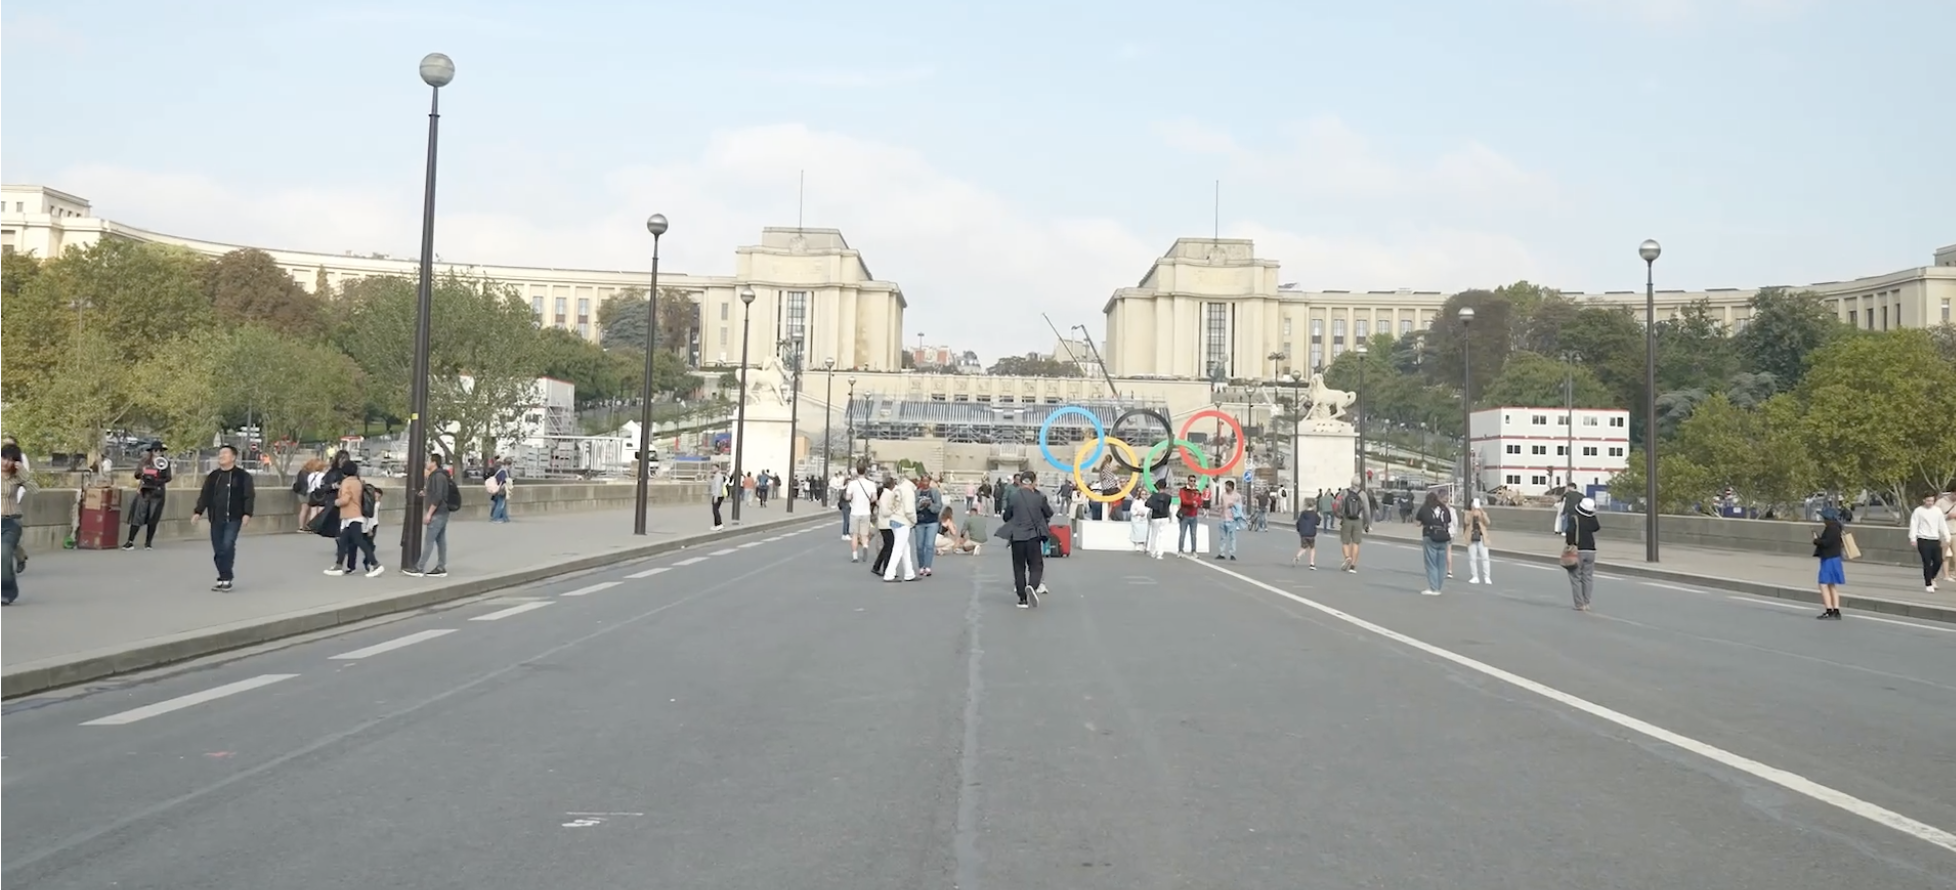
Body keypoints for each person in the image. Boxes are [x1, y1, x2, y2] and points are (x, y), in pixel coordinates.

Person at [191, 445, 256, 591]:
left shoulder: (242, 476)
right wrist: (198, 512)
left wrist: (247, 513)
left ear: (233, 457)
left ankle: (226, 578)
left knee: (227, 545)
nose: (221, 456)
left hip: (234, 518)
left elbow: (249, 496)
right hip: (216, 518)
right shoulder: (213, 476)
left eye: (225, 453)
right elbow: (205, 495)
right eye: (220, 454)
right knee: (219, 550)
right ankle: (224, 575)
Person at [999, 472, 1054, 608]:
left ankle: (1022, 599)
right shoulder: (1039, 497)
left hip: (1017, 537)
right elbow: (1049, 513)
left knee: (1019, 567)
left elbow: (1006, 516)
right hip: (1033, 536)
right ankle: (1032, 585)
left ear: (1021, 482)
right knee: (1036, 566)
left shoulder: (1014, 496)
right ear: (1033, 482)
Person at [327, 463, 384, 577]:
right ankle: (338, 565)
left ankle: (376, 564)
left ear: (344, 472)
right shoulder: (358, 482)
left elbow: (346, 499)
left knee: (358, 541)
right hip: (356, 514)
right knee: (344, 541)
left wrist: (336, 502)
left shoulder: (346, 482)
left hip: (350, 515)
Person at [405, 453, 457, 577]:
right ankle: (441, 567)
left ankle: (419, 567)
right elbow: (436, 493)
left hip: (438, 512)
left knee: (429, 540)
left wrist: (429, 514)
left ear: (434, 463)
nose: (426, 463)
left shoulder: (437, 476)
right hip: (443, 512)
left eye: (428, 461)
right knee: (440, 540)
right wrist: (426, 493)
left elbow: (438, 496)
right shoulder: (439, 475)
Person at [2, 442, 37, 605]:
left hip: (11, 522)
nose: (5, 463)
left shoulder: (17, 476)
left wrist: (22, 472)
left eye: (10, 460)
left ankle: (7, 592)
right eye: (3, 458)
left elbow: (35, 489)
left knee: (3, 554)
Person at [123, 443, 172, 550]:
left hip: (157, 492)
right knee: (137, 516)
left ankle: (148, 543)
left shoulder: (165, 463)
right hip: (145, 491)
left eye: (160, 450)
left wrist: (157, 479)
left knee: (153, 517)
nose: (158, 452)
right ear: (152, 451)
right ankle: (130, 541)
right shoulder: (144, 461)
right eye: (156, 450)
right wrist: (145, 473)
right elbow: (136, 474)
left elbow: (168, 477)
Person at [1908, 491, 1951, 594]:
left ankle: (1931, 577)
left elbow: (1942, 525)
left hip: (1935, 539)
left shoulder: (1937, 511)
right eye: (1928, 500)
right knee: (1927, 562)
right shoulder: (1918, 511)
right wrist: (1913, 538)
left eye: (1932, 501)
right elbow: (1914, 524)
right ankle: (1928, 584)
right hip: (1923, 539)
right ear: (1924, 500)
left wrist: (1947, 536)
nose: (1930, 503)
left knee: (1938, 561)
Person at [1563, 496, 1602, 611]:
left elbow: (1569, 532)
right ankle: (1587, 602)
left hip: (1578, 550)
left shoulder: (1574, 518)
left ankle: (1579, 604)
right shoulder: (1592, 520)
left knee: (1575, 577)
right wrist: (1592, 514)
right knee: (1588, 577)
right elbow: (1597, 527)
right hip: (1591, 550)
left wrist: (1570, 544)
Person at [1414, 489, 1454, 596]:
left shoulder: (1425, 508)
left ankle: (1433, 588)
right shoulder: (1444, 509)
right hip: (1444, 537)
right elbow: (1449, 522)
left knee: (1431, 563)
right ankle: (1438, 587)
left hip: (1429, 536)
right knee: (1441, 564)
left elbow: (1417, 523)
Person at [881, 472, 920, 583]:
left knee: (904, 548)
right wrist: (914, 521)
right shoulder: (909, 491)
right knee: (898, 548)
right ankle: (889, 574)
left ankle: (909, 573)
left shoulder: (899, 489)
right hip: (903, 521)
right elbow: (909, 510)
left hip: (894, 518)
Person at [1813, 507, 1846, 620]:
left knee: (1823, 584)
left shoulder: (1831, 528)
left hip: (1829, 558)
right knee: (1832, 584)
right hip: (1835, 558)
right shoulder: (1837, 528)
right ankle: (1836, 610)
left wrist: (1816, 540)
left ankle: (1829, 610)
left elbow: (1826, 543)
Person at [845, 464, 878, 562]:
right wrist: (869, 501)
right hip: (866, 512)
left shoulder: (852, 484)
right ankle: (865, 546)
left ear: (857, 471)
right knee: (864, 534)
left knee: (854, 534)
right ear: (865, 471)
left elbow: (847, 497)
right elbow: (874, 498)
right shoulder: (871, 484)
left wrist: (852, 498)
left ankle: (855, 556)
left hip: (855, 511)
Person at [1338, 478, 1371, 573]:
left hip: (1347, 519)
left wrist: (1340, 514)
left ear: (1351, 483)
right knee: (1356, 543)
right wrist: (1367, 523)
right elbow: (1367, 510)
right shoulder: (1363, 494)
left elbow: (1338, 504)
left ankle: (1347, 557)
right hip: (1358, 520)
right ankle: (1353, 565)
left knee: (1345, 542)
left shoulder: (1344, 492)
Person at [913, 474, 942, 577]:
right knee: (920, 546)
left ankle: (928, 567)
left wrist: (930, 505)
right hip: (920, 522)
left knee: (929, 545)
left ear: (929, 481)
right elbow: (912, 507)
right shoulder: (916, 493)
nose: (925, 483)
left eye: (927, 481)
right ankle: (921, 566)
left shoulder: (935, 492)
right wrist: (921, 505)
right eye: (923, 481)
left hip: (932, 521)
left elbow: (938, 507)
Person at [1463, 498, 1493, 585]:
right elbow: (1466, 521)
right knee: (1472, 558)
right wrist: (1472, 512)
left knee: (1485, 558)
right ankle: (1475, 576)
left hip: (1482, 537)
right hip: (1471, 537)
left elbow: (1487, 522)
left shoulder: (1482, 513)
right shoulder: (1468, 513)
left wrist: (1481, 512)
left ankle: (1487, 577)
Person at [1214, 478, 1243, 560]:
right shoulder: (1223, 495)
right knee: (1222, 537)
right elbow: (1221, 504)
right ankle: (1221, 553)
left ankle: (1232, 553)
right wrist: (1218, 509)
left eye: (1227, 486)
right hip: (1223, 518)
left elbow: (1240, 507)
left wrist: (1233, 504)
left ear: (1231, 487)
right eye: (1225, 486)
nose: (1225, 487)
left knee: (1232, 537)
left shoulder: (1237, 496)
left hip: (1232, 519)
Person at [1143, 484, 1174, 559]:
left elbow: (1146, 504)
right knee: (1162, 535)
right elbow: (1168, 505)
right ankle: (1160, 553)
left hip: (1155, 516)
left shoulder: (1154, 496)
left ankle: (1152, 551)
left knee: (1154, 535)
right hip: (1164, 516)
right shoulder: (1168, 497)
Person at [1176, 475, 1204, 556]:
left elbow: (1200, 501)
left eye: (1194, 481)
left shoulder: (1197, 491)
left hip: (1194, 515)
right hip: (1185, 515)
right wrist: (1192, 502)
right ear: (1188, 481)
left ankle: (1194, 551)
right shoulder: (1183, 490)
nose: (1192, 482)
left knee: (1193, 534)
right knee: (1182, 534)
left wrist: (1197, 504)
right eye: (1191, 481)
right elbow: (1184, 500)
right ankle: (1180, 550)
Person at [708, 465, 730, 531]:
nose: (712, 469)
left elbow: (718, 487)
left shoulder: (718, 476)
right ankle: (716, 525)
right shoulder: (717, 476)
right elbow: (711, 483)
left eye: (714, 468)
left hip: (718, 495)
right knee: (715, 510)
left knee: (715, 510)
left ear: (718, 468)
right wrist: (708, 476)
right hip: (718, 495)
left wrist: (716, 497)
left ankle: (719, 524)